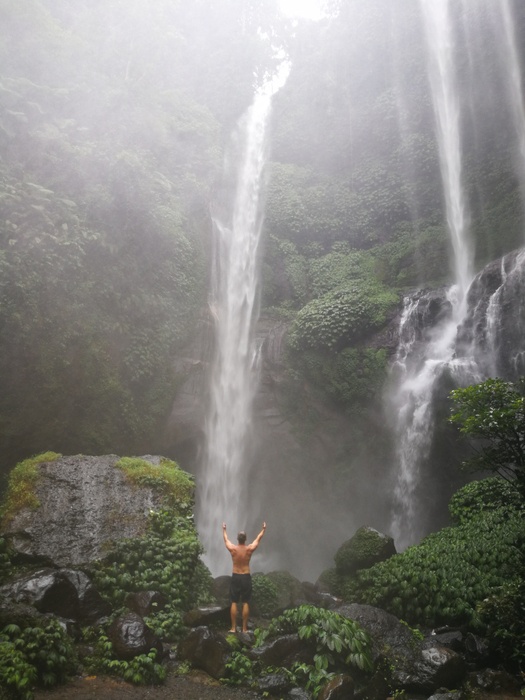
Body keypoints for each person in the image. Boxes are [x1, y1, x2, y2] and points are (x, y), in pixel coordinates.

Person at [222, 521, 266, 633]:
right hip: (246, 576)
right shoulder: (249, 549)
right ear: (245, 539)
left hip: (236, 576)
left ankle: (233, 628)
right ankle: (244, 628)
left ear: (237, 539)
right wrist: (263, 529)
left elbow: (226, 540)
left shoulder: (233, 549)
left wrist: (224, 529)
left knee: (234, 601)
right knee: (246, 602)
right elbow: (258, 539)